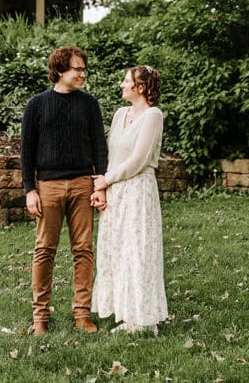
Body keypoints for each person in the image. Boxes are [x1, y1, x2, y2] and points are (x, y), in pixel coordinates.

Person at [20, 46, 108, 335]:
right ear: (59, 71)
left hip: (83, 184)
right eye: (77, 69)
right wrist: (30, 190)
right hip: (48, 187)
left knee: (83, 249)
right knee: (44, 250)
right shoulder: (37, 105)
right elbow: (26, 152)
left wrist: (100, 183)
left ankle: (82, 314)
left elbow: (99, 146)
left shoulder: (89, 104)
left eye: (84, 69)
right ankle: (40, 317)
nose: (82, 74)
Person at [91, 64, 169, 334]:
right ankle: (125, 311)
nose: (122, 85)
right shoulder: (120, 114)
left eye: (127, 81)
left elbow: (139, 160)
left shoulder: (153, 116)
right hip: (115, 190)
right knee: (117, 251)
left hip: (137, 190)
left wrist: (107, 179)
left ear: (142, 88)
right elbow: (111, 153)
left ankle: (143, 318)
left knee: (138, 251)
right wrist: (102, 187)